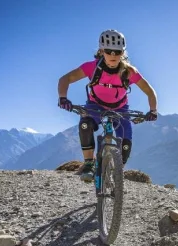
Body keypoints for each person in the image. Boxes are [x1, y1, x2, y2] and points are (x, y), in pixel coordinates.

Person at [57, 29, 158, 182]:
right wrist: (63, 98)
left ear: (122, 53)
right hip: (95, 106)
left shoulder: (129, 72)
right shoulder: (91, 67)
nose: (112, 55)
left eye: (117, 52)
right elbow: (65, 79)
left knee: (125, 142)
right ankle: (89, 164)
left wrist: (153, 110)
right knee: (85, 125)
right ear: (101, 50)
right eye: (109, 51)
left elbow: (150, 91)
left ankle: (117, 171)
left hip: (120, 109)